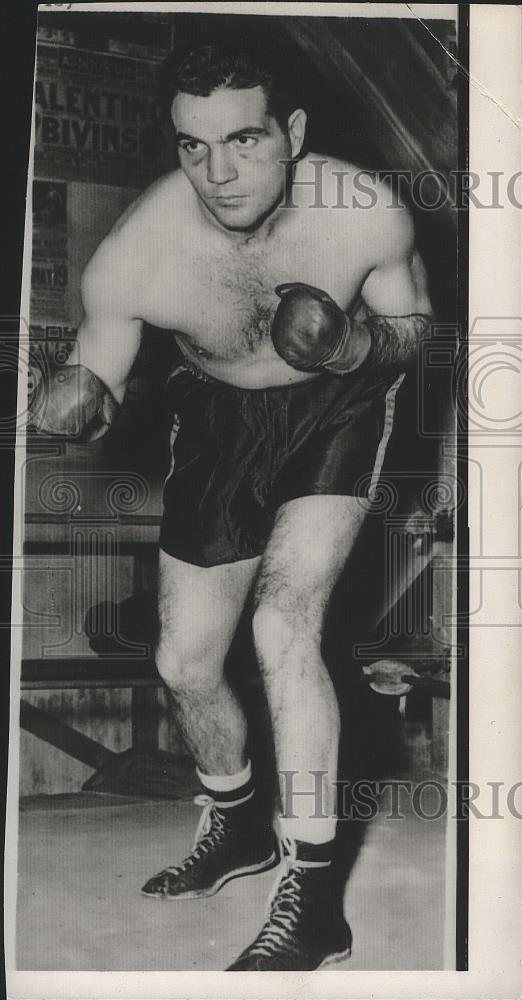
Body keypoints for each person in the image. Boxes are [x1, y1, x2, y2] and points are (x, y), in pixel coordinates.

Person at [30, 40, 432, 970]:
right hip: (213, 420)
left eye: (244, 140)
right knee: (184, 659)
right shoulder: (134, 256)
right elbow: (95, 368)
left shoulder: (363, 211)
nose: (219, 172)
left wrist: (345, 351)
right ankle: (237, 823)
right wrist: (74, 398)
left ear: (290, 133)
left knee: (285, 628)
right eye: (194, 146)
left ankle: (314, 892)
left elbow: (412, 329)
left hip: (335, 406)